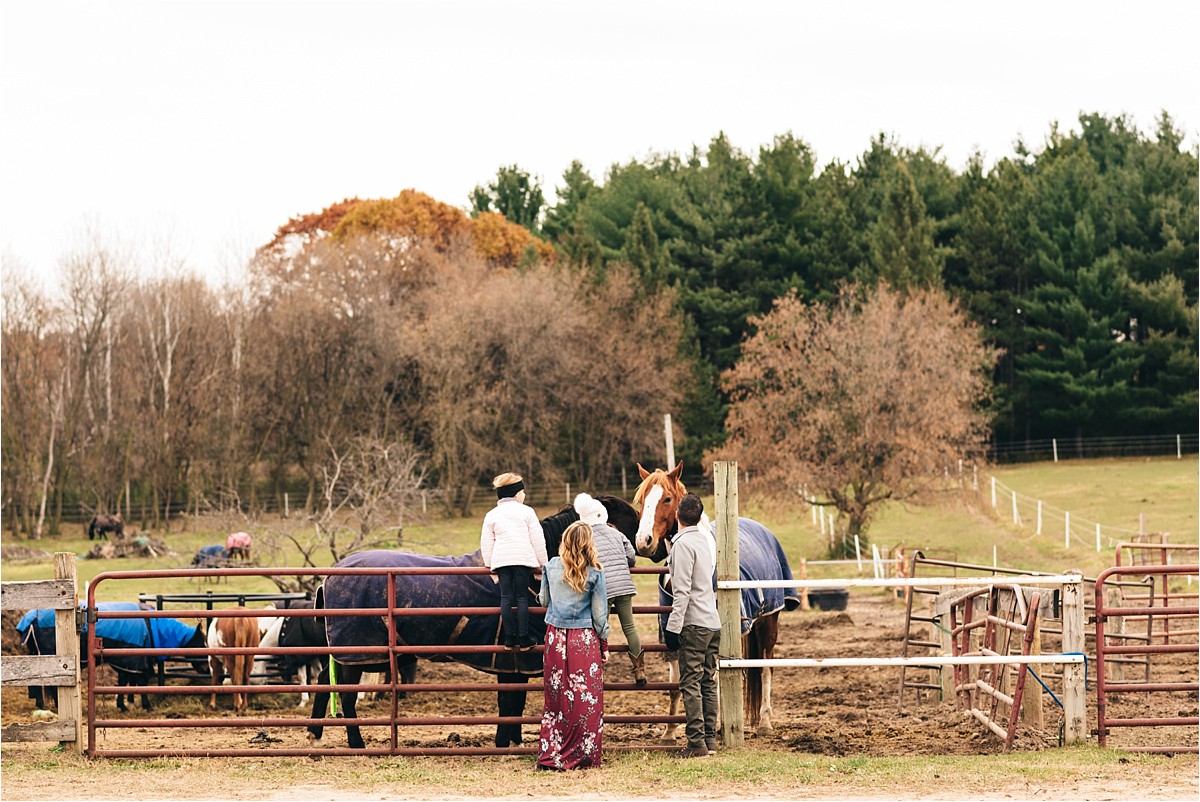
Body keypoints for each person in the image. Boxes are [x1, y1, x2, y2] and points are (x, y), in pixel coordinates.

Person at [536, 521, 610, 770]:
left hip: (556, 638)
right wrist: (604, 644)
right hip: (583, 640)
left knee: (556, 698)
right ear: (589, 543)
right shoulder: (595, 572)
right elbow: (600, 616)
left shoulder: (550, 566)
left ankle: (552, 754)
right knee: (585, 699)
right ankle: (583, 754)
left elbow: (544, 600)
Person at [663, 493, 721, 758]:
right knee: (708, 681)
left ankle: (696, 742)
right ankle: (710, 739)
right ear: (699, 517)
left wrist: (673, 627)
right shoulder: (707, 541)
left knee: (690, 682)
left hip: (694, 623)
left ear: (677, 517)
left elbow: (682, 591)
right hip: (712, 620)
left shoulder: (682, 545)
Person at [573, 492, 645, 685]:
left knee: (599, 628)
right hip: (624, 585)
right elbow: (632, 556)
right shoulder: (616, 533)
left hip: (602, 589)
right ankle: (639, 670)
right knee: (629, 627)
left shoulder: (585, 538)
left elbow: (583, 562)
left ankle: (598, 671)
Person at [481, 473, 548, 651]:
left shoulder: (492, 514)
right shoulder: (527, 512)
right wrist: (543, 564)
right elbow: (537, 540)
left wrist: (489, 564)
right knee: (521, 598)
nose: (524, 495)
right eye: (522, 491)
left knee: (505, 598)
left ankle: (509, 638)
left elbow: (486, 542)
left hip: (501, 562)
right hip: (521, 560)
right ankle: (524, 637)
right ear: (516, 493)